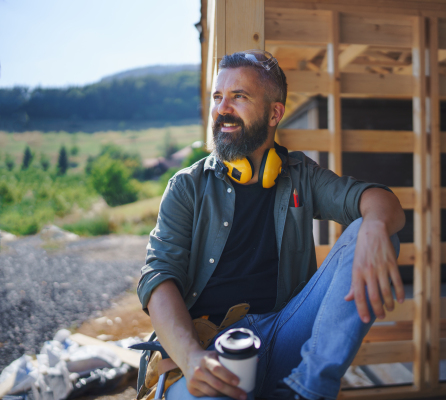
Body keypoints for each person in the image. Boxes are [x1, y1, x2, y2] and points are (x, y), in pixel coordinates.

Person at [136, 50, 406, 400]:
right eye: (218, 97)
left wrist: (373, 225)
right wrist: (191, 359)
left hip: (282, 336)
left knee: (376, 232)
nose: (222, 108)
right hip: (207, 348)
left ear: (275, 113)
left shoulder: (300, 174)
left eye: (239, 97)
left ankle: (309, 390)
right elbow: (158, 278)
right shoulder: (186, 186)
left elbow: (384, 204)